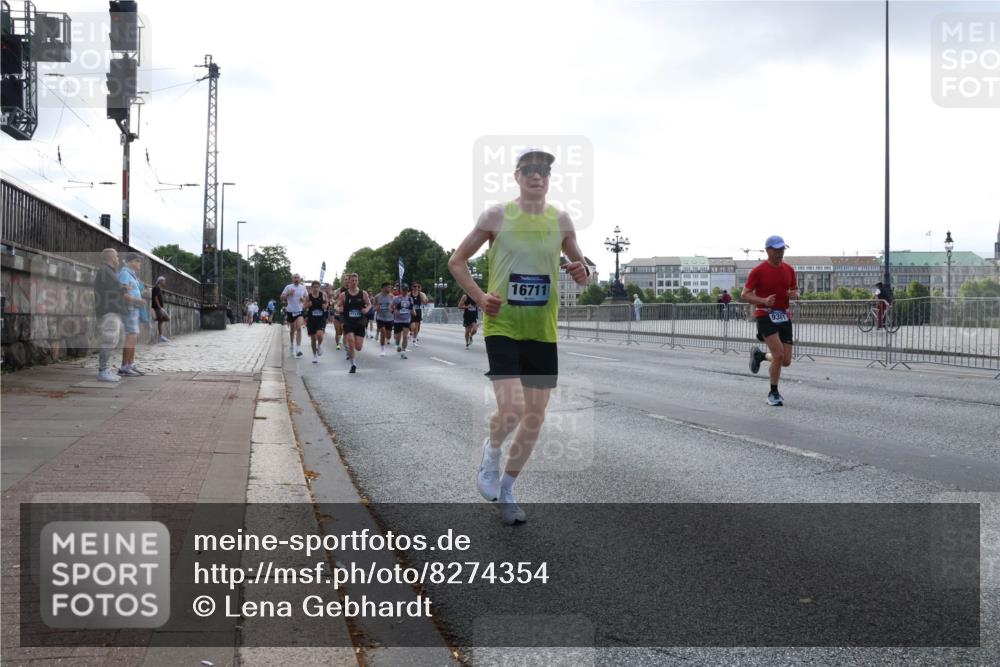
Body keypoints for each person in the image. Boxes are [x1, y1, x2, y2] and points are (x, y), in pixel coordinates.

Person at [449, 147, 591, 525]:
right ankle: (491, 451)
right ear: (516, 176)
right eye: (528, 169)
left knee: (535, 418)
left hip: (542, 331)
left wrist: (582, 272)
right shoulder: (497, 215)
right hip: (504, 326)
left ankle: (508, 488)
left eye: (543, 170)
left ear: (549, 178)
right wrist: (480, 297)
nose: (536, 175)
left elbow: (582, 265)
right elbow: (456, 261)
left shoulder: (560, 220)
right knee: (511, 408)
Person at [743, 235, 800, 406]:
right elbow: (745, 295)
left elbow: (796, 290)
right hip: (765, 314)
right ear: (768, 251)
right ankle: (773, 393)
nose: (780, 253)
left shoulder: (789, 270)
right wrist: (763, 301)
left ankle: (760, 355)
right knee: (779, 354)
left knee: (786, 361)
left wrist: (794, 294)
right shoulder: (758, 271)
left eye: (782, 249)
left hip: (783, 315)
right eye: (776, 250)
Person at [93, 248, 126, 382]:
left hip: (112, 310)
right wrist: (123, 289)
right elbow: (108, 292)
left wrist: (121, 288)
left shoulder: (109, 271)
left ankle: (105, 369)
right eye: (117, 256)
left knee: (112, 340)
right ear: (112, 258)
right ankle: (103, 371)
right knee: (108, 340)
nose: (118, 259)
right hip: (108, 311)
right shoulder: (105, 271)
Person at [118, 252, 147, 376]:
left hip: (133, 309)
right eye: (137, 260)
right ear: (130, 262)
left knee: (133, 337)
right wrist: (137, 300)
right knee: (131, 337)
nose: (139, 263)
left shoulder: (131, 275)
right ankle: (125, 366)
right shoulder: (124, 274)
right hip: (129, 309)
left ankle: (130, 364)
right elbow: (122, 293)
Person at [337, 273, 372, 373]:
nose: (353, 282)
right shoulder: (344, 295)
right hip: (348, 322)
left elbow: (369, 304)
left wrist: (367, 310)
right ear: (349, 282)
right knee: (351, 343)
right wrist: (339, 308)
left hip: (360, 322)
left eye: (355, 281)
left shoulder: (363, 293)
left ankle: (352, 355)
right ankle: (353, 365)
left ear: (358, 282)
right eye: (352, 280)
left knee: (358, 347)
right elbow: (336, 305)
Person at [281, 273, 308, 357]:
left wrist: (303, 299)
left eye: (298, 278)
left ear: (300, 279)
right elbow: (281, 297)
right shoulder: (288, 287)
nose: (296, 279)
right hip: (290, 311)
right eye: (295, 278)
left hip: (299, 311)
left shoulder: (303, 288)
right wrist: (288, 294)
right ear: (292, 279)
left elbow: (307, 299)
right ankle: (292, 344)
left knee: (299, 328)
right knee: (292, 329)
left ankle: (298, 349)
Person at [302, 280, 328, 362]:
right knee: (313, 339)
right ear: (312, 287)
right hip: (311, 320)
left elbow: (327, 303)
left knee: (320, 335)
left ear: (319, 287)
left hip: (320, 319)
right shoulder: (309, 297)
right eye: (314, 287)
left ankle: (319, 346)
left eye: (317, 287)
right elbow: (304, 307)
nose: (316, 289)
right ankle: (314, 356)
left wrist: (325, 306)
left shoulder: (323, 295)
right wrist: (307, 305)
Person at [391, 285, 414, 359]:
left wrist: (413, 312)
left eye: (406, 290)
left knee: (405, 336)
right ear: (401, 290)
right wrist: (393, 311)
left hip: (406, 320)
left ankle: (403, 352)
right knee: (397, 338)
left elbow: (411, 308)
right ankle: (397, 345)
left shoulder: (410, 299)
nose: (405, 292)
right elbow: (391, 307)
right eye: (404, 290)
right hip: (398, 320)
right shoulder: (396, 298)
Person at [374, 283, 395, 356]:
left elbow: (395, 307)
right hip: (380, 317)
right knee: (382, 332)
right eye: (388, 287)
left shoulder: (392, 297)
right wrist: (377, 308)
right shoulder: (377, 297)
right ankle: (382, 350)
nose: (389, 289)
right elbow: (373, 307)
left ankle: (387, 339)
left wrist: (392, 309)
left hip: (389, 318)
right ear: (383, 288)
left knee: (388, 335)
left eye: (390, 287)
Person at [151, 276, 170, 342]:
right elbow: (155, 298)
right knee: (167, 318)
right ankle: (153, 320)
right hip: (157, 308)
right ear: (160, 281)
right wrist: (160, 307)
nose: (164, 282)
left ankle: (161, 336)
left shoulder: (158, 288)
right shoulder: (156, 288)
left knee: (161, 321)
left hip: (159, 307)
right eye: (163, 281)